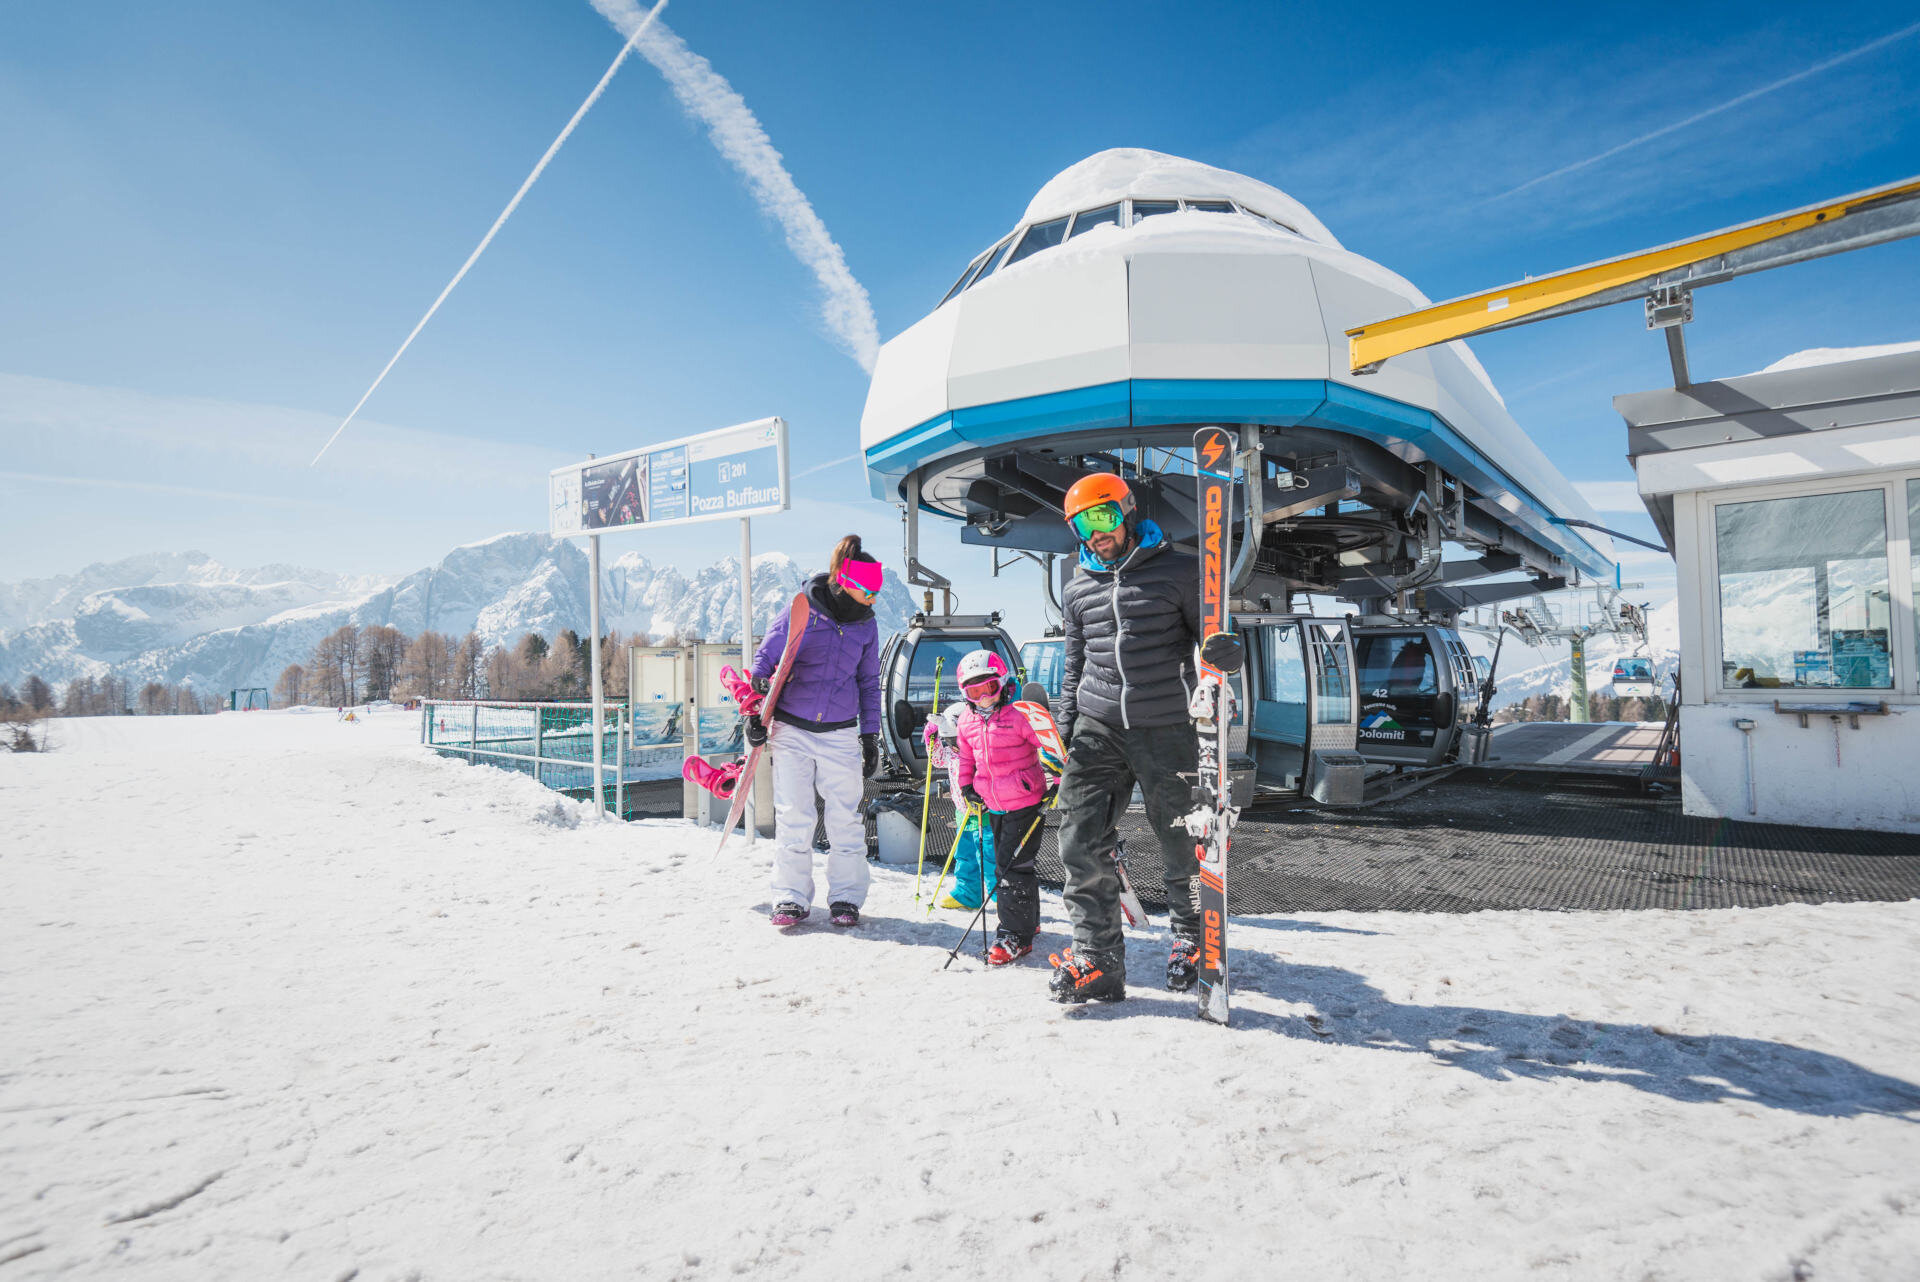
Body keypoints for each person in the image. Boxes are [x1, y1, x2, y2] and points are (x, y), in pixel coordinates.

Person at [1049, 471, 1202, 1002]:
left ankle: (1191, 937)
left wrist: (1225, 658)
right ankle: (1097, 958)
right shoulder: (1077, 588)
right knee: (1078, 837)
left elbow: (1214, 643)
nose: (1097, 532)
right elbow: (1074, 665)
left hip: (1167, 724)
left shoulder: (1181, 571)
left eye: (1104, 516)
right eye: (1082, 524)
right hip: (1098, 726)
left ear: (1128, 511)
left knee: (1180, 836)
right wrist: (1066, 729)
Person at [749, 534, 884, 928]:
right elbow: (764, 663)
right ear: (847, 582)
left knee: (845, 819)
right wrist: (755, 711)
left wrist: (870, 735)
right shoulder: (802, 609)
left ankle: (846, 897)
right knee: (794, 815)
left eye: (876, 593)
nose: (873, 599)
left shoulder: (866, 625)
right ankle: (790, 897)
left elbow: (868, 681)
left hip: (840, 732)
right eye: (868, 592)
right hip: (792, 727)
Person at [951, 650, 1049, 966]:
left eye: (989, 688)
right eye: (974, 692)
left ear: (1003, 684)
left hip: (1025, 802)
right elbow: (967, 758)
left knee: (1009, 868)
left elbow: (1048, 748)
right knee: (1016, 865)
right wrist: (967, 786)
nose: (983, 698)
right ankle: (1029, 922)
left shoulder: (1019, 716)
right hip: (994, 805)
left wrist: (1058, 775)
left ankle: (1014, 934)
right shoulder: (966, 721)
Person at [923, 702, 992, 913]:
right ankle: (967, 893)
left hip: (986, 814)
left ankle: (1001, 896)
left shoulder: (983, 750)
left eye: (957, 740)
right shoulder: (951, 754)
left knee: (990, 857)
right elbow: (936, 759)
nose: (954, 745)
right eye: (949, 741)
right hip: (962, 813)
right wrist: (932, 736)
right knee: (964, 855)